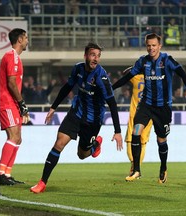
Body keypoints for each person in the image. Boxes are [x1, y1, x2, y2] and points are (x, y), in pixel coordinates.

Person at [30, 42, 123, 194]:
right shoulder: (78, 68)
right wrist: (53, 107)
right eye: (93, 55)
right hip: (76, 113)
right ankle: (42, 182)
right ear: (85, 55)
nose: (96, 59)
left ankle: (94, 146)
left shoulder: (101, 76)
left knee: (82, 155)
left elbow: (112, 103)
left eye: (98, 56)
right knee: (59, 143)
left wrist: (117, 131)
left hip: (92, 121)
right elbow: (67, 87)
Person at [112, 33, 186, 183]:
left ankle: (163, 167)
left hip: (163, 108)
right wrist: (111, 88)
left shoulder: (167, 60)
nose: (151, 48)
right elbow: (127, 77)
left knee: (161, 140)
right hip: (146, 105)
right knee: (136, 132)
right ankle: (136, 170)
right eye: (149, 45)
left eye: (154, 45)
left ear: (159, 46)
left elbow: (181, 71)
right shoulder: (143, 62)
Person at [0, 28, 30, 186]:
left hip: (12, 103)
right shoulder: (11, 57)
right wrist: (21, 103)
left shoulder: (15, 58)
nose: (27, 41)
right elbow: (11, 82)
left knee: (18, 138)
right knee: (13, 136)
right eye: (26, 38)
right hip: (7, 102)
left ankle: (7, 174)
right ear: (19, 40)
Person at [113, 66, 153, 176]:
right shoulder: (153, 78)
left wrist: (133, 67)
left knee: (130, 140)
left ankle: (133, 165)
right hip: (149, 114)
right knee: (143, 142)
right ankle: (137, 167)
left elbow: (124, 72)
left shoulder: (135, 77)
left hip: (135, 114)